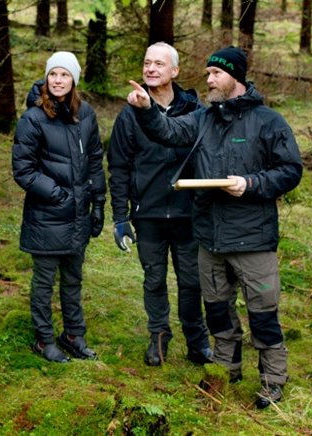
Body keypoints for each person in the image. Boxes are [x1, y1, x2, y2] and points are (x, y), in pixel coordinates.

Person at [124, 46, 304, 409]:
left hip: (253, 238)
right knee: (218, 310)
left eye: (216, 74)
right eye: (207, 73)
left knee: (263, 312)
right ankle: (226, 369)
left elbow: (290, 170)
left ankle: (272, 380)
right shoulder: (204, 119)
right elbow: (170, 131)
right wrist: (145, 110)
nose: (208, 80)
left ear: (235, 77)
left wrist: (250, 184)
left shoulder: (269, 122)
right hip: (209, 237)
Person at [108, 42, 213, 367]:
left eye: (158, 64)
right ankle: (158, 337)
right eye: (146, 63)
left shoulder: (196, 111)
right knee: (153, 279)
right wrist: (120, 216)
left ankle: (197, 342)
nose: (151, 69)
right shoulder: (130, 115)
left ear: (175, 71)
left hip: (188, 214)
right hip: (149, 214)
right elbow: (119, 166)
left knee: (191, 281)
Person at [12, 51, 106, 363]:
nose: (58, 80)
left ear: (74, 80)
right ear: (46, 78)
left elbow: (95, 159)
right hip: (48, 215)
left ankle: (74, 335)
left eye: (64, 75)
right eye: (53, 74)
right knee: (44, 281)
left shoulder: (86, 114)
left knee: (73, 278)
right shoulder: (33, 118)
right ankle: (43, 339)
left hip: (79, 214)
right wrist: (59, 196)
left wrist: (99, 203)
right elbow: (23, 170)